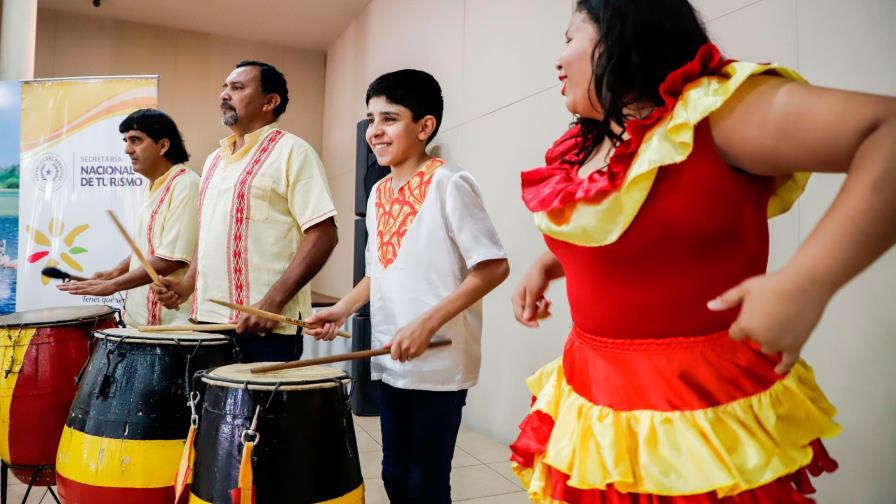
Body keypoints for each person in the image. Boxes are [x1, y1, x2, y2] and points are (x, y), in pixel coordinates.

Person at [509, 0, 896, 502]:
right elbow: (634, 230)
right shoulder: (591, 144)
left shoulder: (714, 113)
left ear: (623, 33)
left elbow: (886, 132)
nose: (558, 60)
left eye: (569, 38)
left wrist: (808, 282)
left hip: (696, 405)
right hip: (593, 395)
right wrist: (549, 262)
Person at [305, 69, 510, 503]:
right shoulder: (378, 194)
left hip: (438, 362)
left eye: (389, 119)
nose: (375, 132)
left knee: (427, 481)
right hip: (391, 358)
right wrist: (340, 309)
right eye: (371, 119)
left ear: (425, 126)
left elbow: (492, 267)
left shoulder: (449, 183)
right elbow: (378, 271)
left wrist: (426, 323)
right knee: (395, 474)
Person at [155, 61, 338, 362]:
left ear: (270, 101)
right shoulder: (213, 160)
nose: (225, 95)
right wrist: (187, 284)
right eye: (224, 87)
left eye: (237, 87)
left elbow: (323, 233)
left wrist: (273, 302)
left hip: (267, 327)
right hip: (207, 323)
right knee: (204, 410)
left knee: (259, 412)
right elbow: (212, 232)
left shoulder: (294, 151)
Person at [60, 108, 197, 327]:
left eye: (135, 140)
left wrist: (114, 285)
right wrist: (116, 272)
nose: (127, 150)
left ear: (163, 145)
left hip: (174, 325)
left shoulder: (186, 185)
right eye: (126, 141)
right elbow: (148, 248)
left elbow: (172, 259)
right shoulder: (151, 187)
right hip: (139, 319)